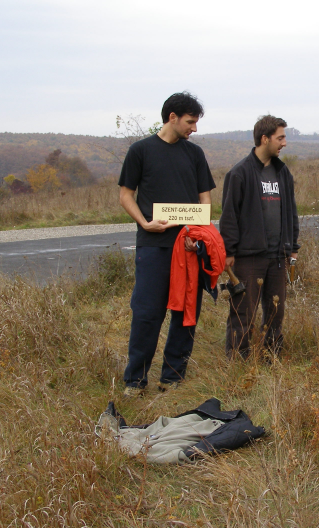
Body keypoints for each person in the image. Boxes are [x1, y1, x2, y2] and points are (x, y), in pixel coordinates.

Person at [118, 92, 215, 396]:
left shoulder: (194, 155)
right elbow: (125, 195)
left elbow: (205, 198)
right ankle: (135, 381)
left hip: (189, 247)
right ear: (172, 117)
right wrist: (145, 223)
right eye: (190, 122)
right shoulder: (140, 151)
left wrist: (198, 236)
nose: (194, 129)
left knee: (186, 313)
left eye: (196, 123)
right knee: (147, 312)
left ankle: (172, 378)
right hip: (154, 245)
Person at [219, 115, 300, 359]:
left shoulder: (282, 173)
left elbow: (291, 212)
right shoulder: (240, 173)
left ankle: (271, 356)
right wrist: (228, 252)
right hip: (248, 257)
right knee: (243, 310)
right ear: (264, 139)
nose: (284, 143)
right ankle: (238, 359)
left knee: (277, 310)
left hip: (278, 256)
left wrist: (292, 247)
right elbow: (229, 216)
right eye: (280, 137)